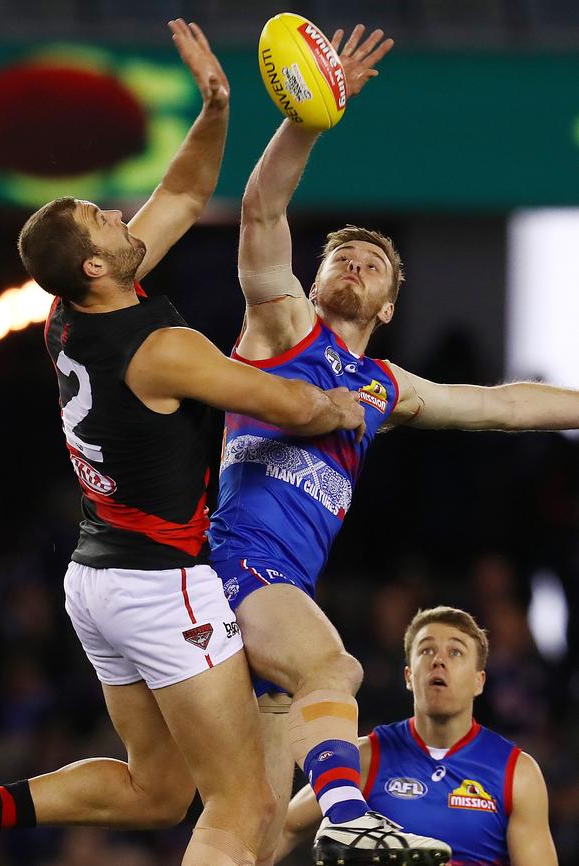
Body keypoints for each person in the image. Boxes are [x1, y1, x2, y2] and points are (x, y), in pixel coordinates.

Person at [0, 20, 368, 866]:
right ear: (97, 266)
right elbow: (281, 400)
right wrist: (341, 406)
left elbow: (181, 191)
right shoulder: (160, 351)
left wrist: (216, 105)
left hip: (95, 582)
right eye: (103, 220)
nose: (122, 216)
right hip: (163, 589)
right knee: (242, 807)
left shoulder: (71, 312)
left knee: (157, 791)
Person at [208, 21, 579, 866]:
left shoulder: (385, 388)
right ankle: (349, 817)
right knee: (335, 672)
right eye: (342, 252)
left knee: (252, 829)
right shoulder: (280, 327)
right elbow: (264, 209)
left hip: (281, 598)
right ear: (313, 278)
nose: (354, 263)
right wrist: (310, 114)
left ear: (385, 310)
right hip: (235, 565)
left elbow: (503, 406)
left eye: (373, 262)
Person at [277, 606, 559, 866]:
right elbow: (285, 830)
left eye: (455, 652)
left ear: (479, 681)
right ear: (409, 676)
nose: (438, 661)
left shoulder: (517, 773)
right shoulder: (364, 757)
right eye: (426, 651)